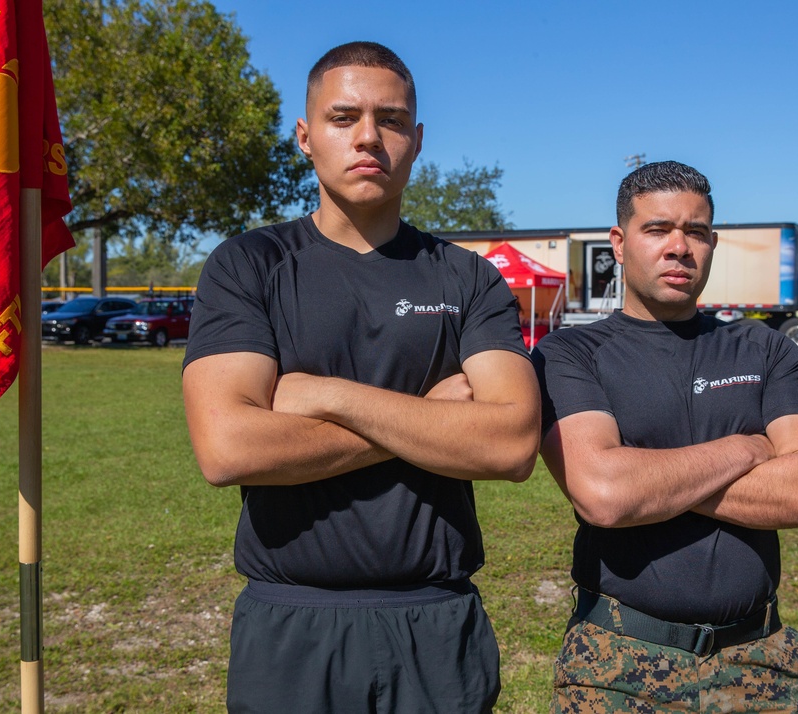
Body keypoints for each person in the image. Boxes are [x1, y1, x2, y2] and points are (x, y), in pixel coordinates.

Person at [181, 41, 540, 714]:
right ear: (305, 135)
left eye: (393, 119)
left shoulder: (466, 278)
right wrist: (426, 417)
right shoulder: (248, 266)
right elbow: (229, 447)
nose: (370, 136)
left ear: (418, 138)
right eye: (344, 117)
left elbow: (511, 444)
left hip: (435, 624)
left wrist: (325, 396)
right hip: (291, 625)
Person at [532, 161, 798, 713]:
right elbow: (605, 494)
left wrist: (644, 476)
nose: (679, 247)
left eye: (696, 232)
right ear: (620, 242)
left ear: (713, 242)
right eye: (657, 229)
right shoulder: (571, 354)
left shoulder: (766, 350)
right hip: (615, 663)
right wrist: (747, 449)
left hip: (758, 661)